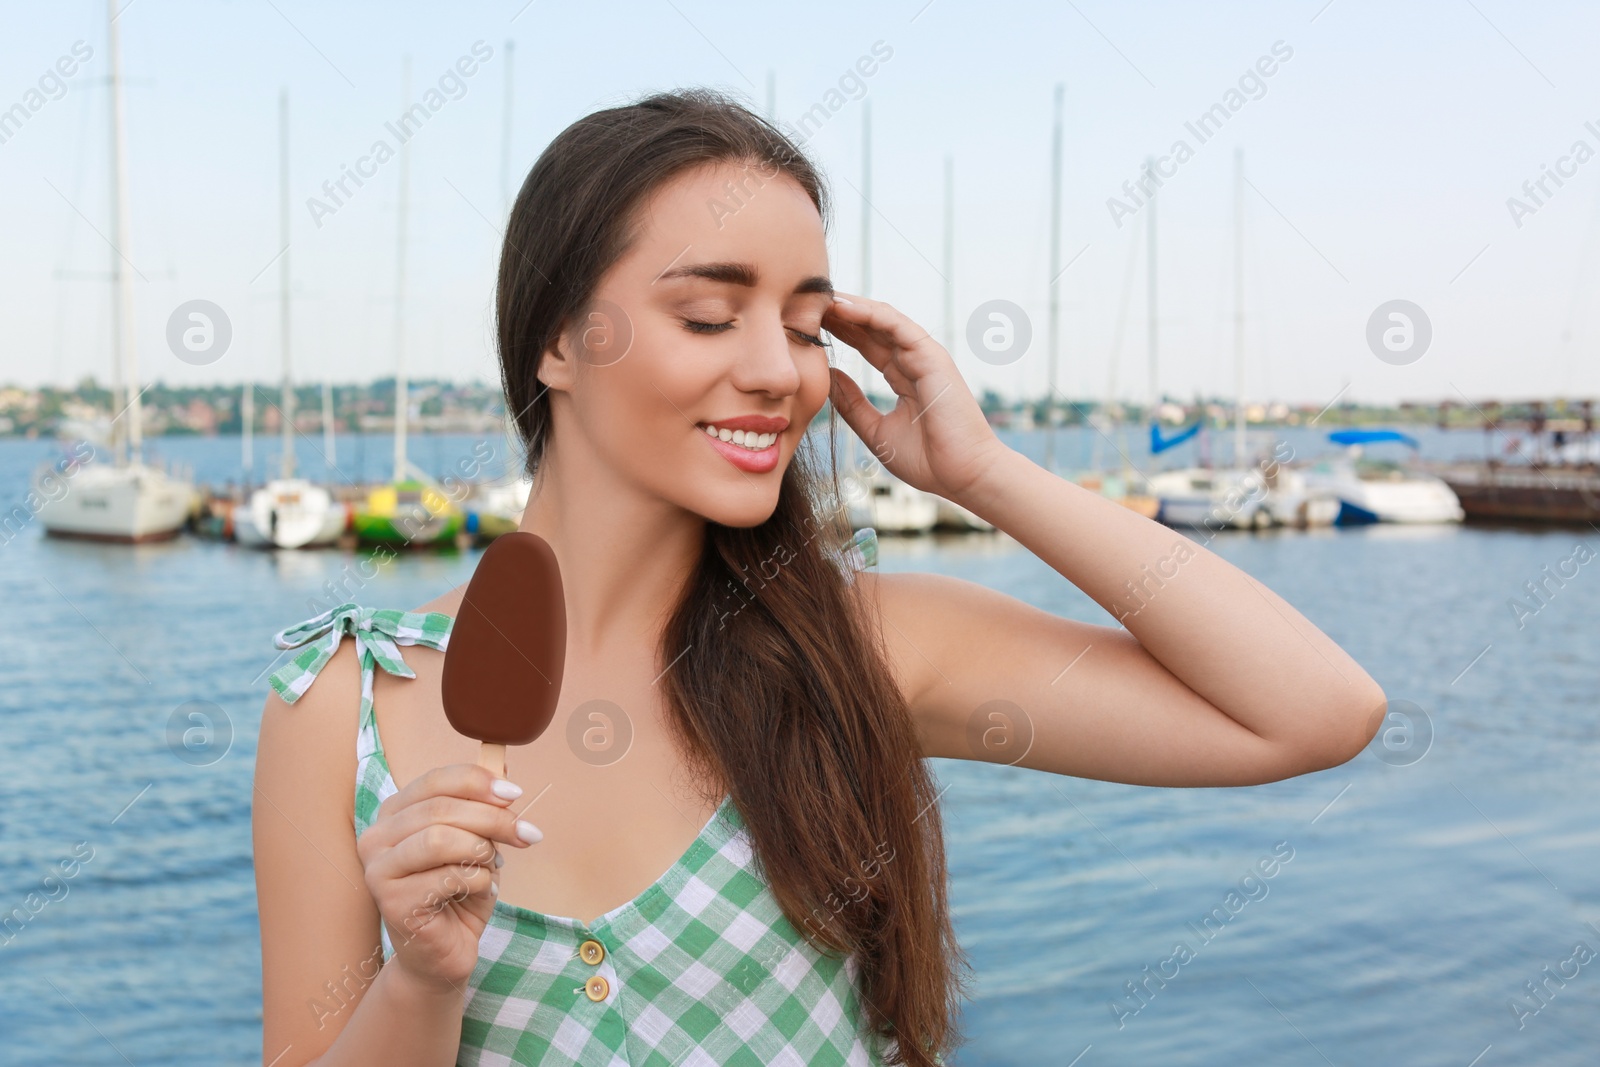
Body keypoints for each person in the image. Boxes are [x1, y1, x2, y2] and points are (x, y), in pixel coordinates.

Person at [252, 87, 1385, 1067]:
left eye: (802, 328)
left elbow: (1314, 713)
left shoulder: (866, 647)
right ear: (558, 341)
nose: (773, 371)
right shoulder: (343, 702)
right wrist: (424, 981)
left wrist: (984, 473)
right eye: (708, 313)